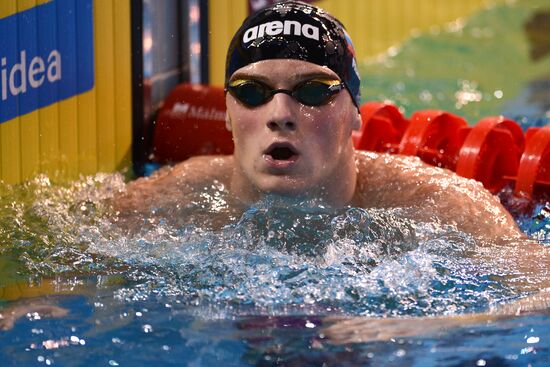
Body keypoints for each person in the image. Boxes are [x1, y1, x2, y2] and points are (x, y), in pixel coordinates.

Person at [2, 0, 549, 341]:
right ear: (226, 112)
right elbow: (69, 271)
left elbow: (540, 292)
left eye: (313, 91)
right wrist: (40, 304)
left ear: (356, 113)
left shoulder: (441, 205)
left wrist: (426, 327)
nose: (280, 114)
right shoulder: (169, 199)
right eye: (252, 92)